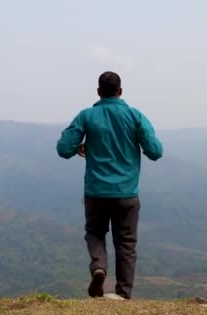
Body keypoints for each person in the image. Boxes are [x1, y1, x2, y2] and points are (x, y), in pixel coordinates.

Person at [56, 71, 163, 299]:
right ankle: (123, 293)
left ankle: (99, 266)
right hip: (127, 193)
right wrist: (138, 144)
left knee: (95, 233)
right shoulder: (135, 117)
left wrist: (79, 145)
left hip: (96, 192)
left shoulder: (87, 116)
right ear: (121, 91)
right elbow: (156, 151)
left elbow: (63, 149)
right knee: (126, 243)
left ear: (98, 91)